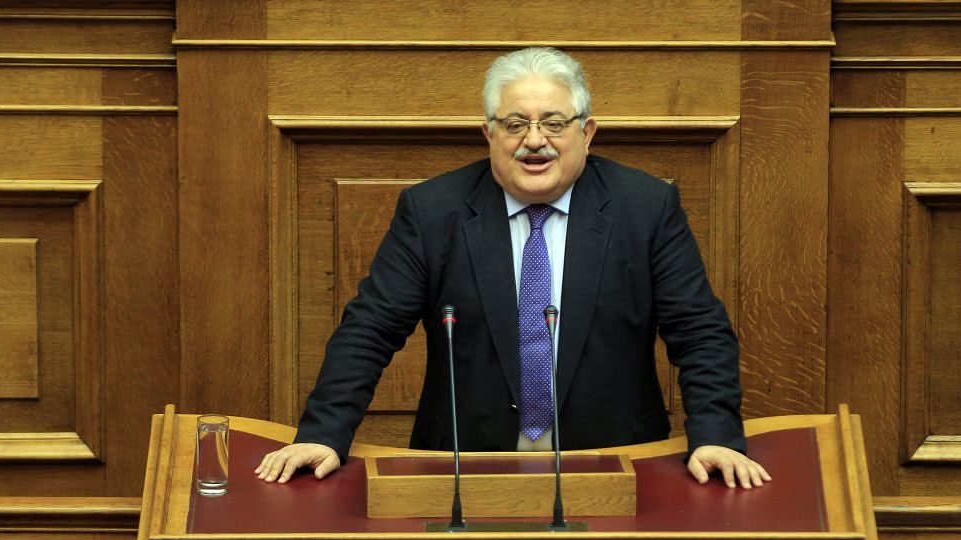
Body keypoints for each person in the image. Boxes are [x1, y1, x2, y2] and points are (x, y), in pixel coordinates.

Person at [257, 47, 770, 489]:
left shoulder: (646, 208)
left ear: (587, 132)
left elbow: (699, 331)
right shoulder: (434, 212)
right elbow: (370, 329)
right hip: (462, 466)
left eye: (554, 123)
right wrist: (323, 434)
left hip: (616, 461)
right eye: (515, 124)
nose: (535, 140)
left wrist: (716, 436)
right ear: (488, 133)